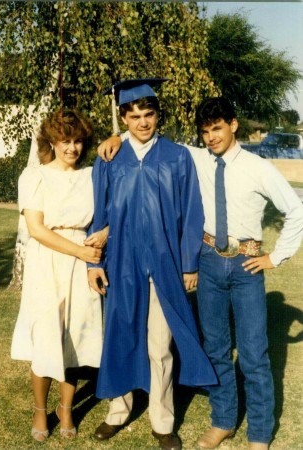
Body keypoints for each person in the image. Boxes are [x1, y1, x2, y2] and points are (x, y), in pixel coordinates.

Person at [96, 96, 303, 450]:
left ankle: (259, 434)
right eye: (205, 131)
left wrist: (275, 257)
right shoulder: (194, 157)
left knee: (253, 354)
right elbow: (144, 143)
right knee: (217, 348)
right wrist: (114, 137)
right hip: (208, 261)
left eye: (217, 128)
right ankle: (223, 421)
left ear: (233, 125)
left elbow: (296, 210)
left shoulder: (257, 167)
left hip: (245, 263)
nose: (211, 137)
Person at [87, 79, 217, 450]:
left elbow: (192, 214)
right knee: (121, 335)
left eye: (149, 114)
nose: (143, 122)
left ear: (158, 115)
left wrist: (188, 263)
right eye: (135, 116)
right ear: (124, 118)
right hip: (121, 262)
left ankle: (162, 421)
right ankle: (118, 410)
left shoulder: (177, 157)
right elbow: (99, 214)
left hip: (164, 264)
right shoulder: (110, 158)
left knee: (160, 345)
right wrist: (92, 265)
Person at [11, 109, 108, 442]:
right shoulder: (34, 176)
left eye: (78, 141)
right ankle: (40, 410)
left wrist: (104, 233)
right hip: (49, 259)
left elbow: (109, 213)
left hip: (82, 259)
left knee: (76, 337)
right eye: (65, 140)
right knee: (47, 336)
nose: (72, 148)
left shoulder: (92, 175)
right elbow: (37, 229)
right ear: (52, 141)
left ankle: (66, 408)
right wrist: (80, 252)